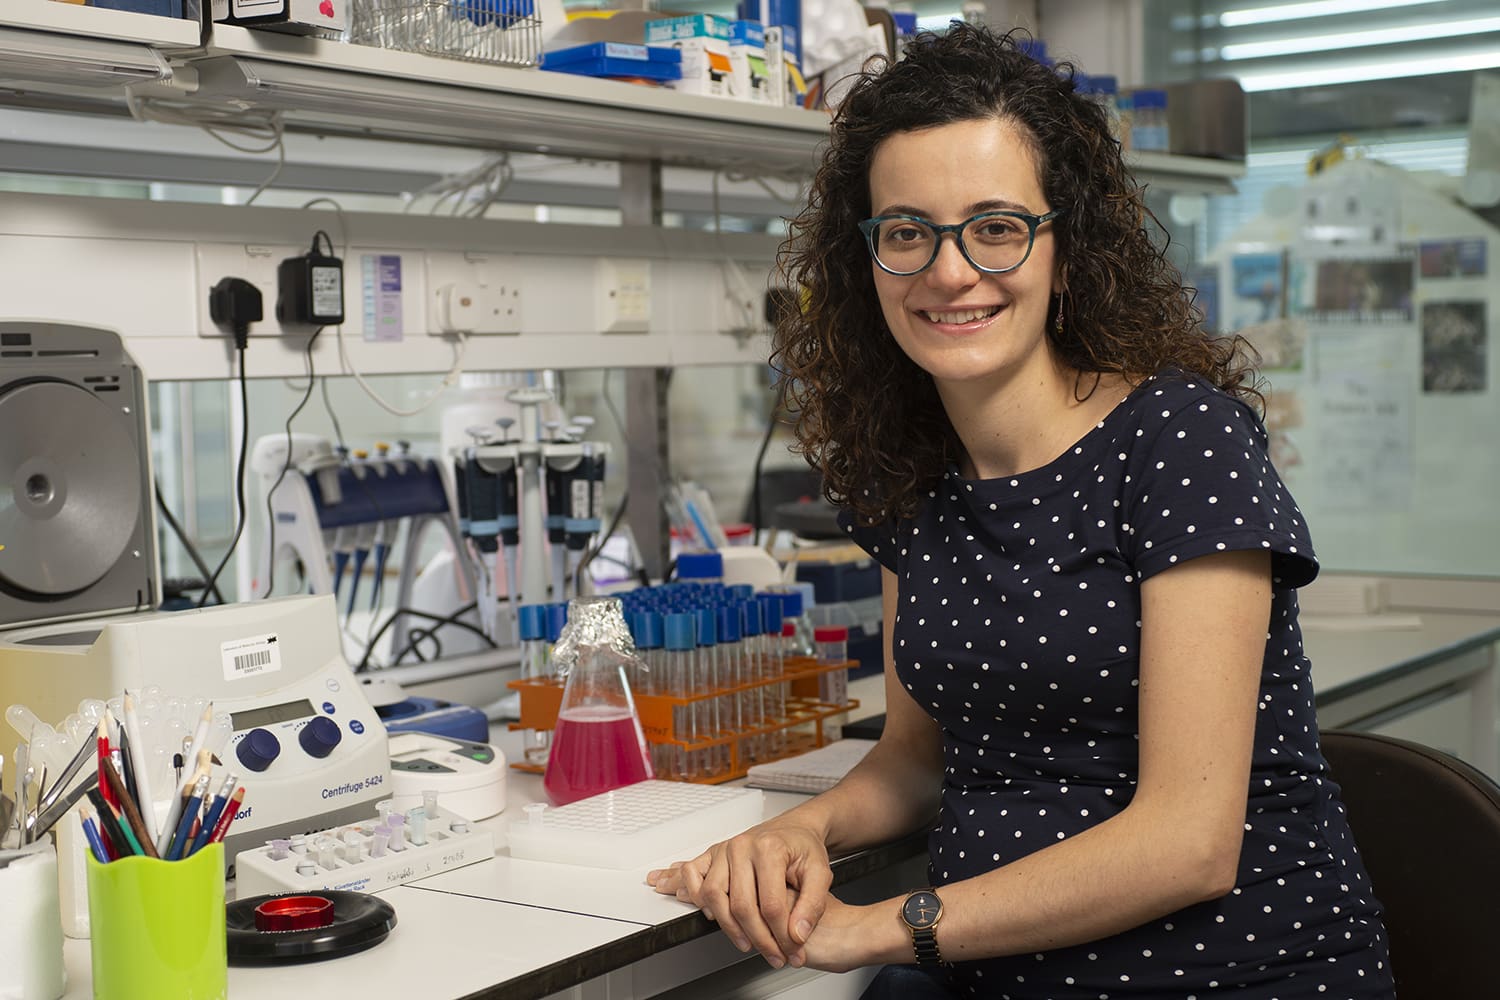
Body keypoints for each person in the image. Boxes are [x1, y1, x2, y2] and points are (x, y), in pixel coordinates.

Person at [647, 22, 1395, 1000]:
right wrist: (806, 825)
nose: (949, 271)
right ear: (867, 260)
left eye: (995, 226)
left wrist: (882, 927)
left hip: (1229, 977)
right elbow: (918, 759)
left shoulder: (1179, 439)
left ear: (1066, 249)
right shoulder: (911, 477)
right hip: (990, 973)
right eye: (908, 232)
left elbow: (1189, 842)